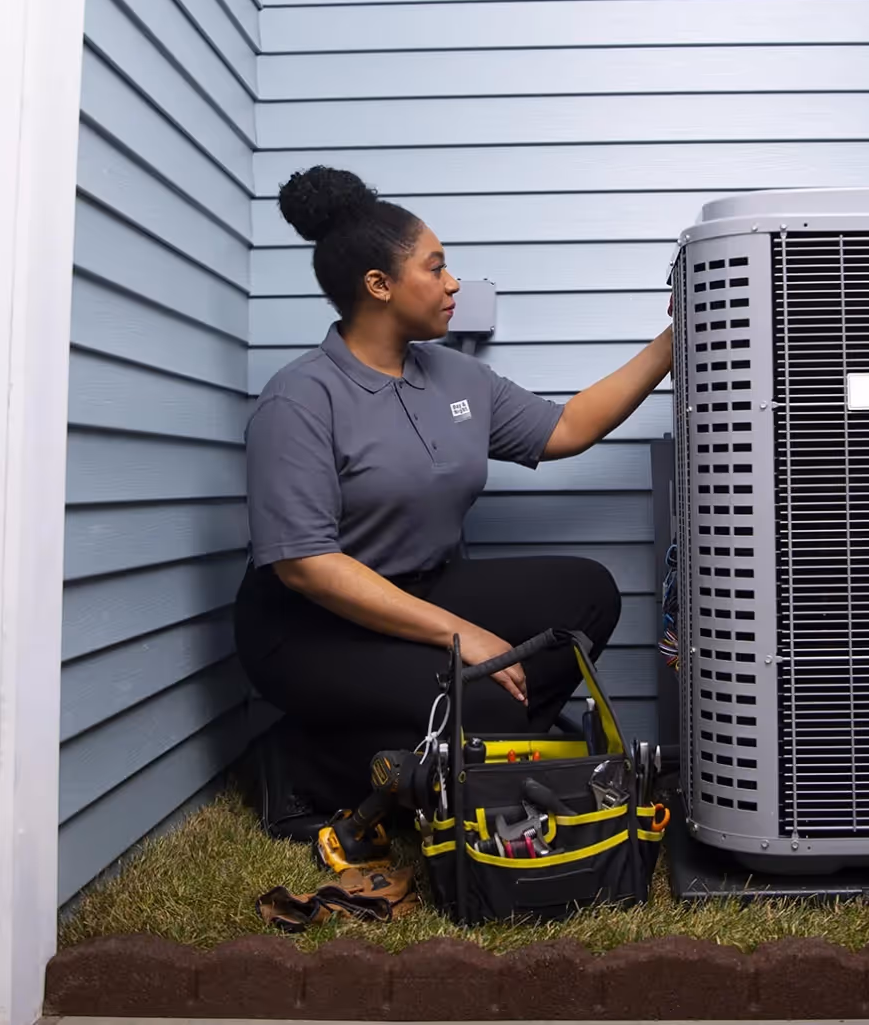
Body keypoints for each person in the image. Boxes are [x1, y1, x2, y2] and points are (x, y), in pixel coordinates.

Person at [236, 166, 673, 834]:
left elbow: (567, 427)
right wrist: (461, 634)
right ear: (378, 286)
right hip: (308, 625)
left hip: (419, 588)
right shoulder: (300, 398)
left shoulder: (453, 375)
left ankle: (461, 755)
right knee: (489, 711)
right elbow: (307, 565)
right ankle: (301, 766)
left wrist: (675, 339)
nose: (453, 283)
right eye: (436, 268)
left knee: (588, 596)